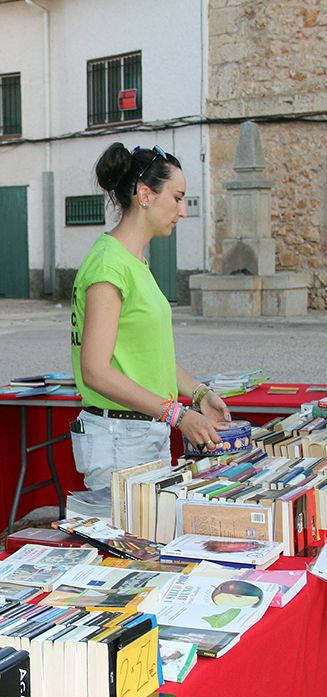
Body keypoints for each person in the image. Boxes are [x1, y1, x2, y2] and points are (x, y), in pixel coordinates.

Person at [70, 142, 231, 490]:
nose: (183, 210)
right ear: (145, 194)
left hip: (141, 432)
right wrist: (178, 415)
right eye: (177, 197)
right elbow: (95, 370)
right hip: (119, 439)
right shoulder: (109, 264)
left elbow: (147, 357)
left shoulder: (134, 261)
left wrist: (200, 394)